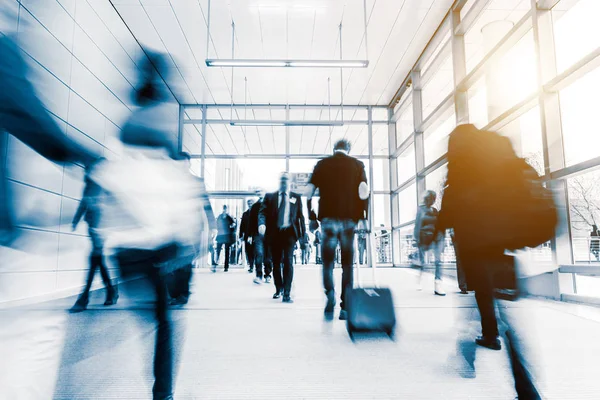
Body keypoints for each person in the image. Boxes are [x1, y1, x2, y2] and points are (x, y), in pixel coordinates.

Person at [436, 124, 542, 399]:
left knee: (481, 296)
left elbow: (453, 200)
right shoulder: (498, 152)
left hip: (474, 244)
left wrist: (441, 224)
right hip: (503, 244)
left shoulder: (462, 161)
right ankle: (525, 385)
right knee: (505, 307)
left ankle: (473, 348)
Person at [306, 139, 369, 321]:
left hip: (327, 220)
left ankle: (330, 295)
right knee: (347, 264)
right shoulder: (357, 165)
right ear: (348, 149)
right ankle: (346, 307)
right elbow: (363, 191)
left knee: (328, 262)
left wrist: (312, 218)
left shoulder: (322, 164)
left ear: (333, 149)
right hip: (349, 220)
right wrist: (364, 218)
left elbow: (308, 192)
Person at [69, 171, 118, 312]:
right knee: (98, 260)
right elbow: (83, 202)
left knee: (94, 259)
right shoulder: (90, 185)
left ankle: (83, 299)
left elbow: (112, 207)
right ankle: (110, 291)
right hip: (92, 226)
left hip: (102, 229)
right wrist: (75, 220)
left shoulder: (107, 186)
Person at [258, 173, 305, 303]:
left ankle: (287, 294)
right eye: (282, 180)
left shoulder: (296, 197)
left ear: (289, 182)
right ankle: (279, 288)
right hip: (275, 234)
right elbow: (262, 212)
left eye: (286, 180)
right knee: (276, 263)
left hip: (290, 234)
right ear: (279, 182)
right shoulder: (270, 196)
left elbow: (301, 218)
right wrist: (262, 224)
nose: (284, 183)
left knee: (288, 262)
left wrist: (303, 237)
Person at [413, 190, 446, 296]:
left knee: (438, 261)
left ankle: (438, 283)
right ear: (427, 199)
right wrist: (417, 239)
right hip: (424, 238)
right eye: (431, 198)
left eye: (433, 199)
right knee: (423, 263)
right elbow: (417, 225)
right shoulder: (420, 210)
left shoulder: (435, 210)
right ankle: (419, 279)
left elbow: (439, 225)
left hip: (435, 238)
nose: (432, 201)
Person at [249, 190, 272, 284]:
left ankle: (268, 274)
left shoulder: (270, 205)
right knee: (259, 253)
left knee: (268, 255)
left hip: (269, 233)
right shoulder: (254, 206)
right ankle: (259, 275)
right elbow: (250, 222)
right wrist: (250, 235)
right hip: (257, 234)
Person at [216, 205, 236, 272]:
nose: (224, 210)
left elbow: (234, 225)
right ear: (223, 209)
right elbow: (216, 225)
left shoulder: (229, 217)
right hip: (220, 236)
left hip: (227, 236)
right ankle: (216, 264)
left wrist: (231, 230)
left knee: (227, 252)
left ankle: (226, 267)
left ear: (227, 209)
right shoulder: (220, 216)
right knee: (218, 251)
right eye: (224, 208)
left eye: (226, 209)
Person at [239, 199, 255, 273]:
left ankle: (254, 265)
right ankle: (251, 265)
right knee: (248, 251)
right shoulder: (245, 214)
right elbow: (242, 225)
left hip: (255, 236)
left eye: (251, 203)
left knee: (254, 251)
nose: (250, 204)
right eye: (249, 203)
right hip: (246, 235)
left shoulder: (257, 213)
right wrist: (240, 235)